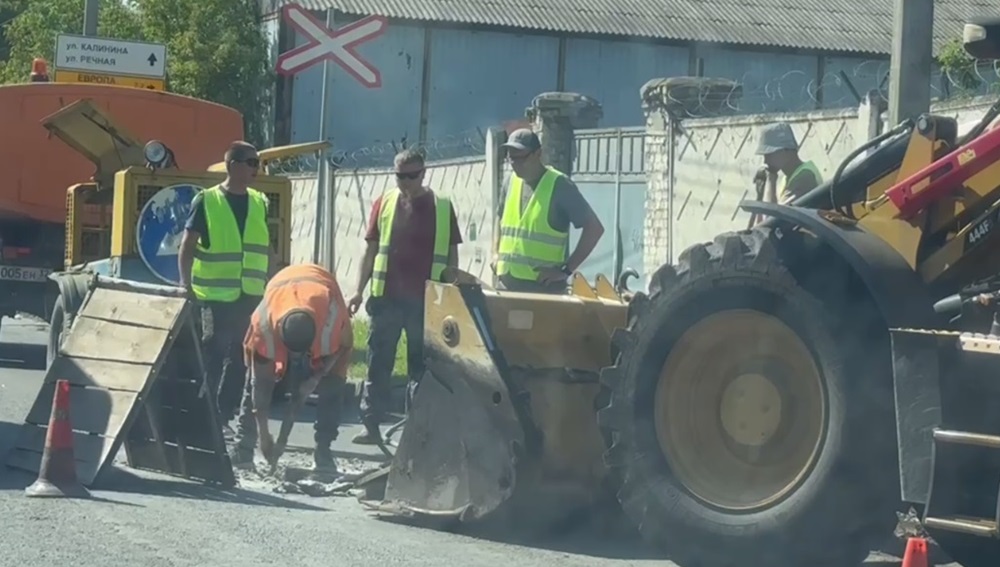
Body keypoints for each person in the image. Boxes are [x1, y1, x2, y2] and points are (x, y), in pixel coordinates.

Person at [347, 148, 462, 445]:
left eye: (411, 176)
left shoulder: (442, 206)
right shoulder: (384, 203)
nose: (405, 182)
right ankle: (371, 424)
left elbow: (451, 256)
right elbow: (370, 250)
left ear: (423, 174)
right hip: (386, 299)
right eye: (400, 176)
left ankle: (415, 430)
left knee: (420, 367)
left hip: (426, 302)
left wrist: (451, 294)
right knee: (378, 362)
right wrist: (358, 289)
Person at [178, 141, 278, 439]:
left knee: (240, 358)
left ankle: (222, 415)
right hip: (215, 295)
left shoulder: (260, 201)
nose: (255, 169)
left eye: (257, 163)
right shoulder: (207, 201)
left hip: (250, 294)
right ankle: (202, 415)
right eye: (250, 163)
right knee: (213, 350)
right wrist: (185, 285)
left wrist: (274, 287)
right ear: (232, 165)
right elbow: (187, 246)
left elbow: (267, 248)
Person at [230, 263, 352, 474]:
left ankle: (323, 451)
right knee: (254, 387)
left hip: (321, 283)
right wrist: (264, 434)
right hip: (282, 286)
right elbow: (259, 383)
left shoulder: (332, 317)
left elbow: (344, 345)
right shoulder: (264, 326)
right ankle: (244, 448)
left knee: (333, 384)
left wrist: (316, 377)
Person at [492, 128, 604, 294]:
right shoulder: (510, 182)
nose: (514, 164)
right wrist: (495, 254)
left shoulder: (560, 186)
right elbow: (499, 219)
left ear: (538, 154)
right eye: (511, 158)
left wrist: (566, 270)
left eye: (520, 158)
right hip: (506, 286)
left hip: (542, 291)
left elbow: (595, 228)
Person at [755, 122, 823, 205]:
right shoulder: (788, 178)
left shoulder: (805, 177)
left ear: (785, 150)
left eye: (769, 155)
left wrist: (770, 180)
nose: (766, 161)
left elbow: (772, 216)